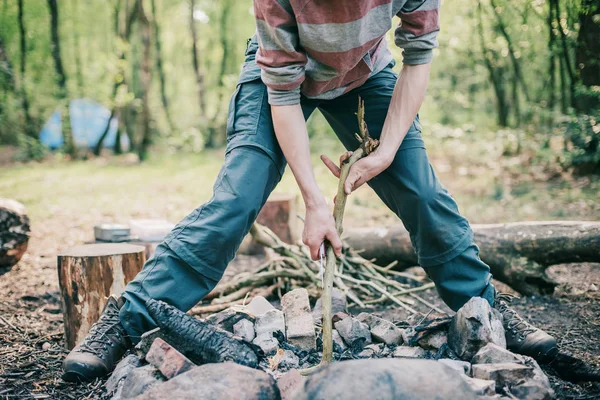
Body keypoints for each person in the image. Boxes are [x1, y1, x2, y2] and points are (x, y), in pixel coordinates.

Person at [62, 0, 557, 382]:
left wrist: (384, 153)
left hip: (366, 75)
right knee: (237, 197)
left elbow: (418, 57)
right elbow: (282, 95)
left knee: (422, 194)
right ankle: (126, 319)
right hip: (278, 79)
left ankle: (483, 309)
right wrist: (314, 202)